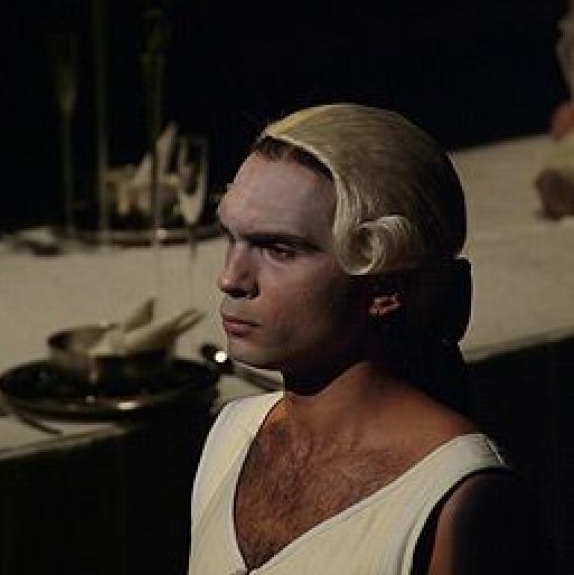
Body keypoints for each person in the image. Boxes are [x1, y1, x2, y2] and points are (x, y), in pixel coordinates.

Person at [188, 104, 552, 574]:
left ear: (383, 287)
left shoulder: (460, 500)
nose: (231, 278)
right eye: (231, 237)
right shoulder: (232, 436)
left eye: (279, 249)